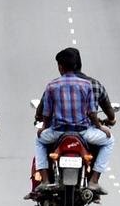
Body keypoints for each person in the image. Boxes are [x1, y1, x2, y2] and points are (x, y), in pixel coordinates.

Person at [32, 49, 114, 196]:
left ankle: (44, 180)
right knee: (109, 141)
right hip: (82, 132)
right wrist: (100, 127)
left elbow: (47, 112)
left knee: (39, 140)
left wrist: (43, 127)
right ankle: (94, 181)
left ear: (60, 66)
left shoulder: (52, 85)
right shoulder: (86, 85)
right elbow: (91, 112)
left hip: (58, 132)